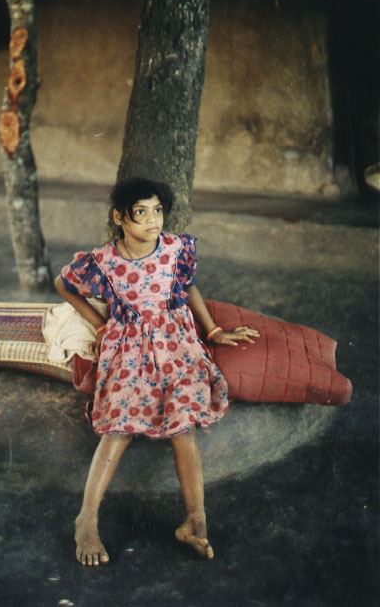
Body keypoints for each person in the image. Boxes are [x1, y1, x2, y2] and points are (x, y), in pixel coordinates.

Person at [55, 178, 259, 566]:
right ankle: (87, 519)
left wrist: (213, 330)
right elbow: (63, 284)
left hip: (175, 345)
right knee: (119, 425)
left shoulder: (174, 249)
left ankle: (195, 519)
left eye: (158, 211)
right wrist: (99, 324)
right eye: (141, 212)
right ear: (120, 218)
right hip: (129, 348)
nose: (153, 221)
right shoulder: (104, 262)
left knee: (183, 422)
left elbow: (187, 288)